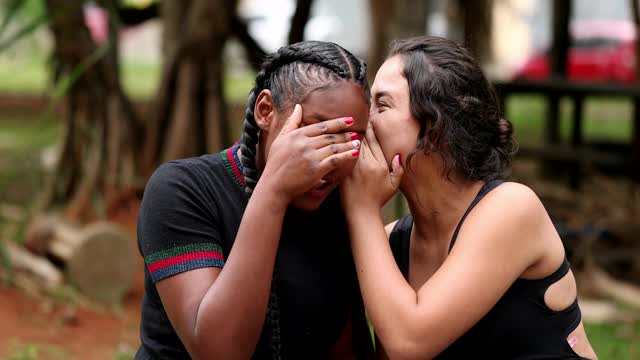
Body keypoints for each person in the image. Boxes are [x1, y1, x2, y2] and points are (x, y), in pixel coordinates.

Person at [341, 36, 598, 359]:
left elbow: (409, 343)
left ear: (437, 126)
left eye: (382, 105)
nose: (365, 122)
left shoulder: (512, 208)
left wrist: (363, 209)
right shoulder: (390, 245)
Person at [135, 41, 374, 359]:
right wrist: (273, 191)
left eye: (351, 137)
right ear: (265, 111)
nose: (331, 157)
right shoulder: (182, 190)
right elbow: (218, 352)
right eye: (318, 132)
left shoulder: (341, 208)